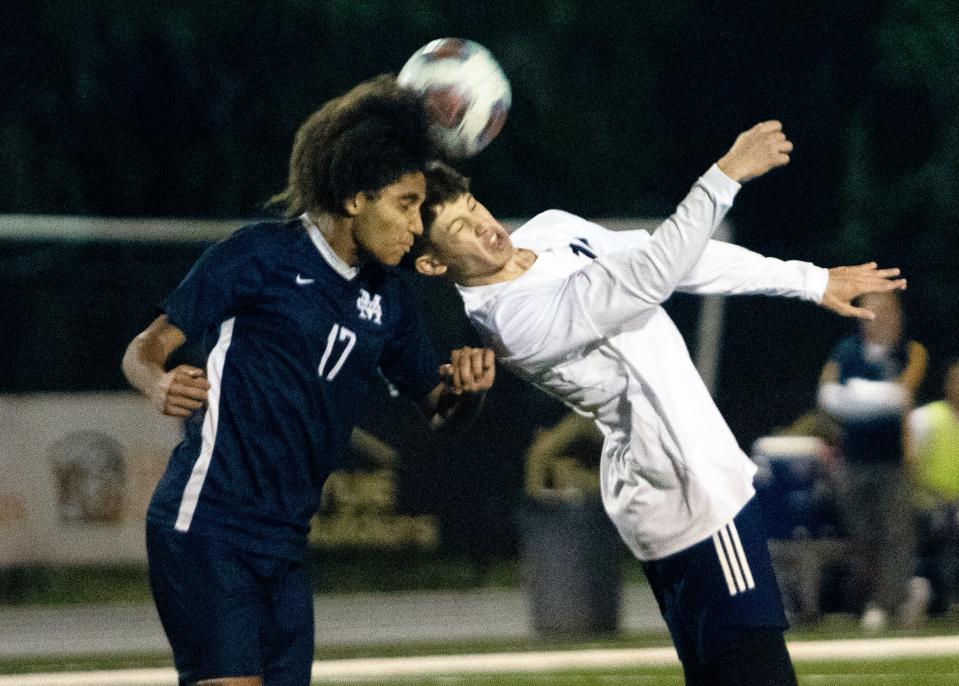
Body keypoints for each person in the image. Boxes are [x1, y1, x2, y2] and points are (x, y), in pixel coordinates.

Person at [410, 120, 907, 685]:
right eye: (457, 227)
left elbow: (678, 257)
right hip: (689, 489)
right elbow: (650, 276)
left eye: (473, 205)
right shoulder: (512, 321)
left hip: (673, 488)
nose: (483, 225)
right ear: (432, 263)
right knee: (758, 673)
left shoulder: (548, 229)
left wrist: (808, 280)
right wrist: (724, 176)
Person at [122, 75, 495, 686]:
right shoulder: (259, 257)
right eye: (404, 204)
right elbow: (144, 348)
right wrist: (157, 383)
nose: (414, 224)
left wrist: (465, 393)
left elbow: (439, 408)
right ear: (354, 198)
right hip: (208, 525)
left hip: (288, 544)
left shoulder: (391, 299)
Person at [818, 291, 928, 631]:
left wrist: (854, 397)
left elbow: (900, 394)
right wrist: (869, 399)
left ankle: (885, 604)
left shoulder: (911, 351)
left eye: (888, 311)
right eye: (874, 311)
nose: (882, 318)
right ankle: (878, 599)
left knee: (896, 536)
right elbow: (826, 393)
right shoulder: (844, 351)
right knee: (861, 537)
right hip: (853, 462)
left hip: (892, 461)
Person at [908, 358, 959, 615]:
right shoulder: (926, 418)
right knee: (946, 522)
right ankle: (947, 600)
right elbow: (910, 466)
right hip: (929, 503)